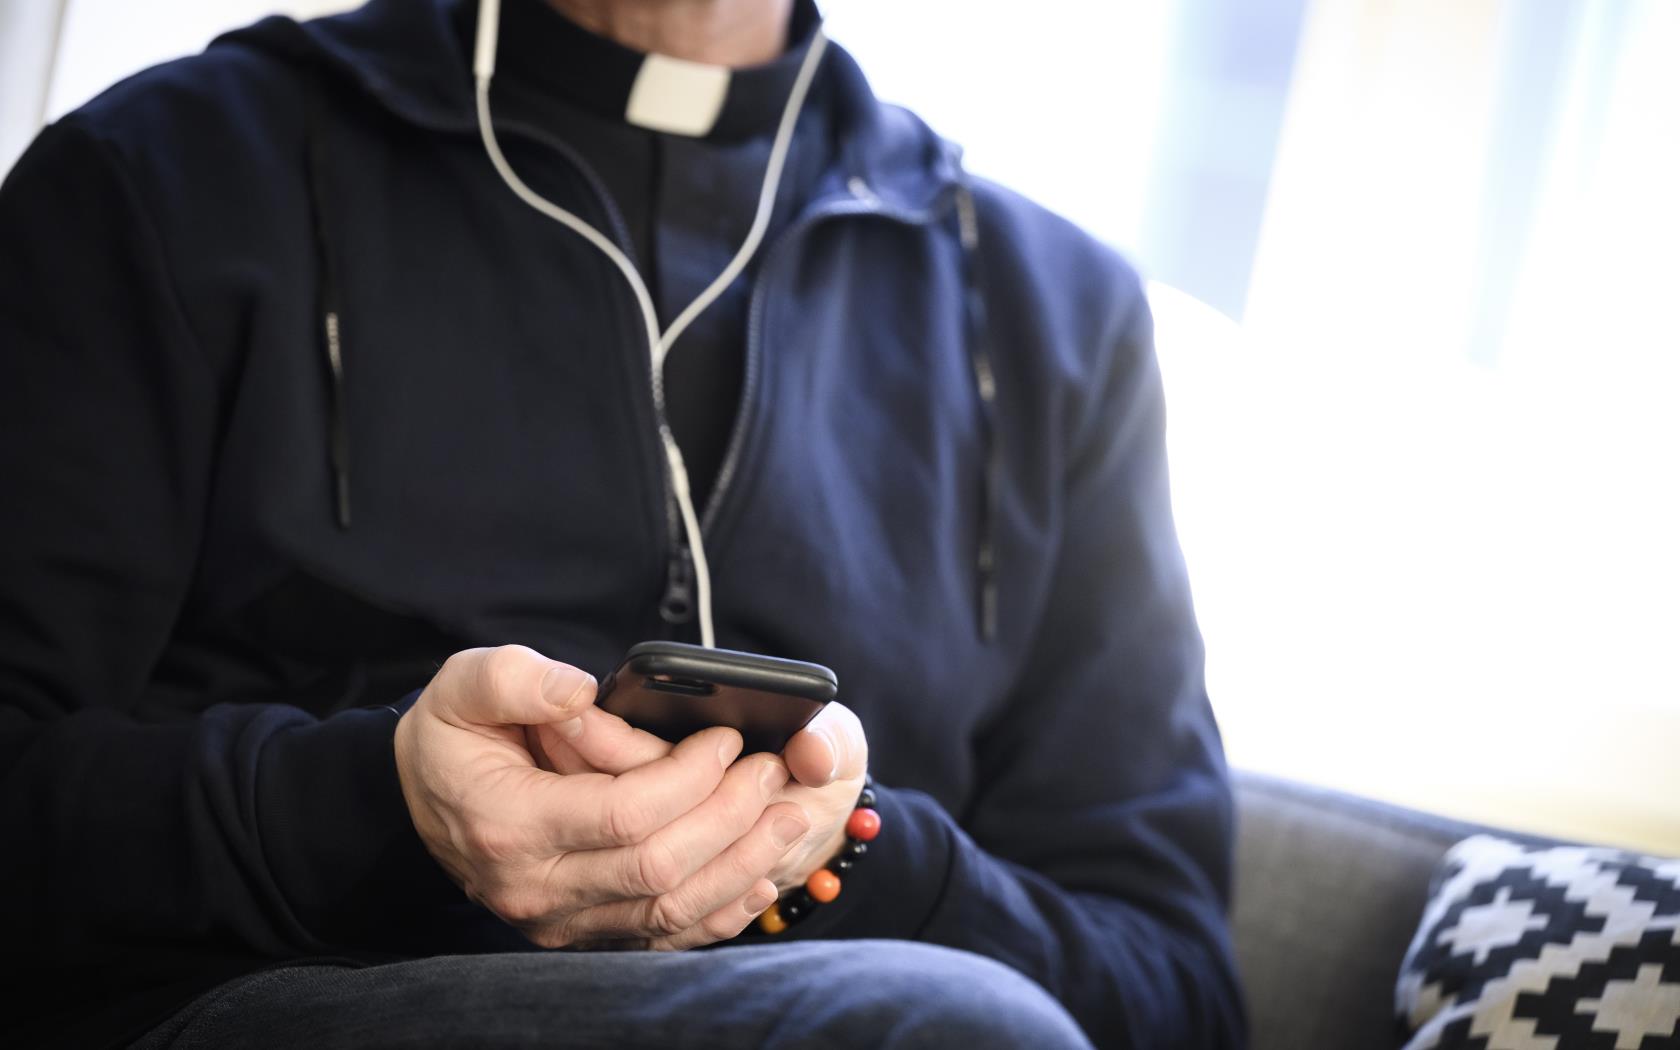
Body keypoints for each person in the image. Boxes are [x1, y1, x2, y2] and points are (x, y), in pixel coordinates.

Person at [0, 0, 1244, 1046]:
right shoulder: (168, 171)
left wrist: (844, 859)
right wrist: (380, 807)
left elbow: (1177, 991)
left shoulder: (1056, 318)